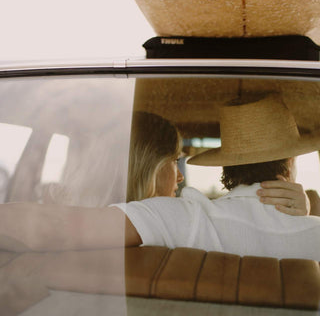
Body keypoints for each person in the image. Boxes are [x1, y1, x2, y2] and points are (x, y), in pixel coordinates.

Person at [0, 104, 313, 258]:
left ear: (228, 167)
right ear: (290, 165)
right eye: (174, 160)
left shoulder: (177, 218)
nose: (180, 177)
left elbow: (38, 225)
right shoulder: (167, 217)